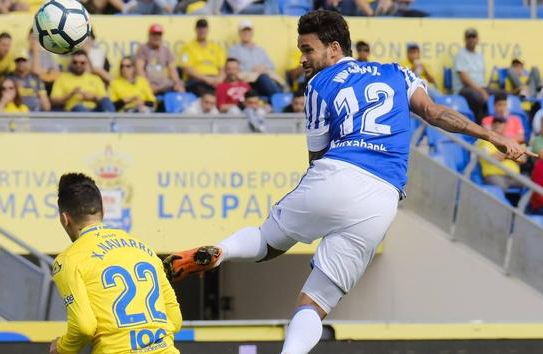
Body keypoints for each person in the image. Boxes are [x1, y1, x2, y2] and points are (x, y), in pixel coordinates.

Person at [163, 10, 534, 354]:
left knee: (266, 243)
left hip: (338, 172)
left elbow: (316, 160)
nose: (302, 59)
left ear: (334, 48)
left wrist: (309, 212)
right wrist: (490, 136)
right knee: (316, 301)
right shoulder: (398, 73)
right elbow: (436, 113)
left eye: (307, 50)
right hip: (382, 200)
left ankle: (221, 252)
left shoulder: (318, 85)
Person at [49, 173, 182, 354]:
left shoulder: (68, 261)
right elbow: (174, 317)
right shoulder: (144, 249)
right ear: (102, 212)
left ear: (65, 219)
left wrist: (62, 348)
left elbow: (84, 326)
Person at [227, 19, 282, 97]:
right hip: (248, 81)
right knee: (263, 78)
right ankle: (279, 99)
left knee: (274, 81)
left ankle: (279, 99)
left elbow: (271, 65)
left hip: (263, 79)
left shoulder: (260, 49)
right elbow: (232, 69)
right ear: (239, 33)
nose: (246, 33)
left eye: (248, 31)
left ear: (252, 32)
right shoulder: (234, 50)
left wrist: (263, 67)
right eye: (244, 31)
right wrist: (253, 69)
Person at [50, 50, 114, 112]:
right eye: (75, 62)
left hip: (95, 110)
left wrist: (93, 97)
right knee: (79, 107)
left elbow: (104, 99)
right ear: (71, 63)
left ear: (86, 63)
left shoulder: (95, 78)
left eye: (82, 63)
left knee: (106, 103)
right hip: (75, 111)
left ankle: (110, 121)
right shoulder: (62, 78)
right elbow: (53, 101)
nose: (78, 65)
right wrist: (71, 94)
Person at [453, 28, 493, 122]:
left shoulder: (479, 55)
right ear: (465, 39)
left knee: (500, 95)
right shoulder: (461, 54)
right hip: (463, 88)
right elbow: (464, 79)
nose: (471, 39)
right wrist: (481, 90)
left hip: (480, 87)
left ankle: (493, 125)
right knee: (478, 98)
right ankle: (479, 127)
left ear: (477, 39)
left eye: (473, 36)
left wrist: (483, 89)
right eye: (469, 37)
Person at [179, 18, 225, 95]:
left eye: (204, 28)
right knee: (205, 93)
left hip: (214, 79)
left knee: (226, 91)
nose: (202, 30)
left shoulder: (216, 47)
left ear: (207, 29)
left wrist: (219, 79)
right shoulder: (187, 48)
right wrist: (206, 79)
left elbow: (222, 68)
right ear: (196, 30)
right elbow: (187, 69)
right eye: (199, 28)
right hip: (197, 80)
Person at [135, 24, 185, 96]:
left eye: (159, 35)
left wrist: (177, 83)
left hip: (164, 84)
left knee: (180, 88)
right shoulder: (143, 49)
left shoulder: (165, 50)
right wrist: (147, 85)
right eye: (154, 34)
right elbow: (139, 70)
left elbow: (172, 70)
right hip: (150, 83)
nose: (157, 37)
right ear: (149, 35)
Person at [477, 117, 524, 191]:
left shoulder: (510, 141)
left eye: (501, 124)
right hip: (494, 175)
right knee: (500, 189)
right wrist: (510, 154)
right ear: (492, 125)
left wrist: (504, 155)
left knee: (532, 185)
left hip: (514, 176)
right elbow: (492, 159)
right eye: (496, 123)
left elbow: (522, 159)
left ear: (505, 126)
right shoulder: (484, 140)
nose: (498, 125)